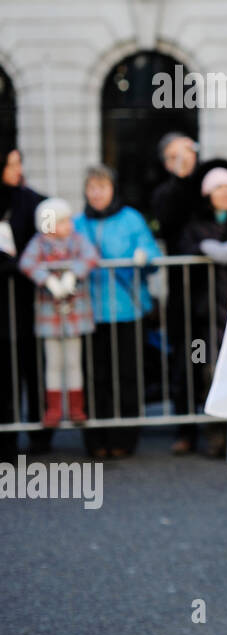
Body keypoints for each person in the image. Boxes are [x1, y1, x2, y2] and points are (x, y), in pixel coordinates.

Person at [74, 165, 163, 457]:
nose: (97, 193)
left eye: (102, 187)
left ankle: (125, 438)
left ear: (113, 189)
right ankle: (97, 439)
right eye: (92, 188)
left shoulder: (131, 219)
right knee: (95, 375)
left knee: (127, 374)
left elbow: (151, 253)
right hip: (90, 311)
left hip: (127, 310)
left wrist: (144, 256)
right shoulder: (77, 224)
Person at [177, 160, 227, 456]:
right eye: (220, 188)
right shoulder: (195, 223)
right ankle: (216, 436)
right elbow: (184, 249)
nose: (226, 193)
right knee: (209, 373)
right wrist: (203, 249)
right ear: (208, 193)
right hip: (206, 314)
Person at [19, 199, 98, 433]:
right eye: (63, 221)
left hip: (75, 314)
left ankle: (76, 407)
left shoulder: (77, 241)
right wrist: (49, 279)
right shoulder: (39, 243)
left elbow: (91, 256)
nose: (69, 224)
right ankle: (53, 409)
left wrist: (73, 274)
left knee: (73, 362)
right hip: (49, 315)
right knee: (53, 363)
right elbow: (27, 262)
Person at [149, 132, 204, 451]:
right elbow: (168, 222)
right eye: (177, 155)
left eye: (189, 152)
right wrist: (181, 180)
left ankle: (222, 424)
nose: (186, 159)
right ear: (168, 162)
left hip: (215, 288)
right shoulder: (164, 193)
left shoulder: (210, 181)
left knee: (214, 354)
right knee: (185, 358)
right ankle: (186, 428)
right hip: (183, 289)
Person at [0, 146, 46, 457]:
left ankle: (40, 434)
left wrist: (23, 262)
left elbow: (50, 236)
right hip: (3, 302)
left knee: (33, 364)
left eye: (20, 163)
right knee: (5, 370)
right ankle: (6, 437)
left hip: (29, 297)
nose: (18, 169)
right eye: (11, 164)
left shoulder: (33, 200)